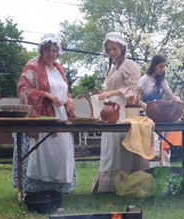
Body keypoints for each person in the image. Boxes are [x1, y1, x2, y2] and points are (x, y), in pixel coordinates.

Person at [14, 34, 77, 194]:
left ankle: (59, 188)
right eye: (48, 50)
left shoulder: (59, 69)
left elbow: (66, 92)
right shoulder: (33, 66)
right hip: (42, 114)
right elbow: (23, 89)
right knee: (42, 150)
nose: (51, 54)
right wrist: (45, 95)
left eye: (54, 50)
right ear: (42, 50)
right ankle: (37, 189)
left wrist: (70, 106)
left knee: (61, 152)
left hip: (61, 115)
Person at [92, 32, 147, 193]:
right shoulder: (113, 68)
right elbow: (112, 88)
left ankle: (125, 183)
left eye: (114, 49)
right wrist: (104, 95)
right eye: (109, 50)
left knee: (119, 146)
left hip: (123, 109)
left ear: (122, 48)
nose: (111, 53)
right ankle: (108, 186)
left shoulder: (129, 65)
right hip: (111, 108)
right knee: (110, 147)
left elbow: (132, 89)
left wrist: (112, 94)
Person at [139, 55, 181, 166]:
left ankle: (165, 167)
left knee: (164, 142)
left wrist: (176, 100)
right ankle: (152, 168)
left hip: (161, 115)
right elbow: (136, 99)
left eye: (164, 67)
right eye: (160, 66)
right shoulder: (144, 80)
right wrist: (148, 108)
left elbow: (170, 96)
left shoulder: (162, 81)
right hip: (147, 115)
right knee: (153, 143)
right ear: (154, 66)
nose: (163, 69)